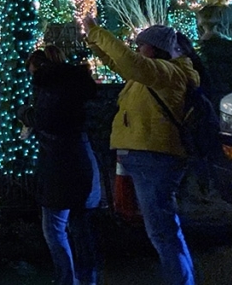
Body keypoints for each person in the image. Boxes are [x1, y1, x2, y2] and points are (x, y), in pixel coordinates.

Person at [84, 20, 200, 285]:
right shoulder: (155, 74)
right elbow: (120, 64)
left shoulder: (165, 73)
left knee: (161, 231)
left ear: (156, 49)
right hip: (147, 155)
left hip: (155, 157)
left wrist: (98, 32)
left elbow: (129, 63)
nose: (138, 49)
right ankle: (184, 278)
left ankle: (181, 281)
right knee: (163, 228)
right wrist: (94, 41)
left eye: (142, 45)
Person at [24, 47, 101, 285]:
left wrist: (25, 114)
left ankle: (67, 279)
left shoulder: (49, 89)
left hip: (58, 163)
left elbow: (44, 120)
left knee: (54, 227)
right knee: (80, 225)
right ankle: (88, 278)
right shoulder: (79, 85)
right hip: (81, 157)